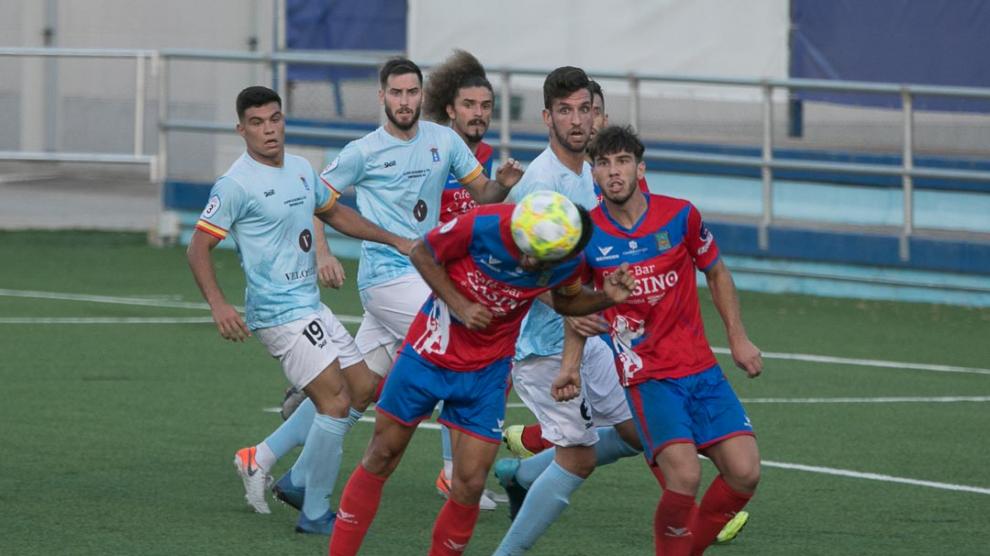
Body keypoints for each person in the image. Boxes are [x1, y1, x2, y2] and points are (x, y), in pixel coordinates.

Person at [328, 193, 636, 556]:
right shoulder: (484, 224)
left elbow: (567, 302)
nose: (526, 259)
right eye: (523, 248)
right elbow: (422, 253)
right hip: (428, 355)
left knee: (471, 484)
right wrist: (460, 306)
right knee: (382, 454)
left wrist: (607, 298)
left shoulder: (568, 261)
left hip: (486, 374)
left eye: (537, 257)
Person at [186, 86, 413, 534]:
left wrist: (393, 238)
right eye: (256, 122)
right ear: (241, 129)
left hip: (311, 306)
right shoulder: (235, 184)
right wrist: (218, 305)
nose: (268, 130)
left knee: (363, 388)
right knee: (335, 403)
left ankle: (278, 470)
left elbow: (336, 214)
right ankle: (314, 511)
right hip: (278, 313)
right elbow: (198, 248)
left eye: (274, 119)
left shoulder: (300, 170)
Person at [559, 125, 763, 555]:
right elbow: (571, 304)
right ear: (593, 174)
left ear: (640, 167)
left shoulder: (680, 215)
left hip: (701, 368)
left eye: (622, 161)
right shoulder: (587, 235)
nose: (613, 172)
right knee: (684, 477)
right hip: (648, 377)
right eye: (603, 163)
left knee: (745, 473)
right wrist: (571, 363)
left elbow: (716, 271)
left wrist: (738, 338)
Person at [490, 67, 643, 555]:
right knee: (578, 458)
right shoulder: (541, 183)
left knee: (636, 431)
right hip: (541, 346)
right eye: (565, 111)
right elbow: (511, 266)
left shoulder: (591, 172)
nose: (577, 120)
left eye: (585, 109)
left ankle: (522, 473)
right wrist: (561, 304)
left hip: (587, 332)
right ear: (547, 117)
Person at [422, 48, 502, 510]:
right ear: (450, 108)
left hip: (458, 291)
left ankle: (453, 473)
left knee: (360, 386)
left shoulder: (487, 161)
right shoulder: (429, 149)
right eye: (469, 105)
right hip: (422, 281)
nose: (478, 114)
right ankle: (453, 474)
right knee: (356, 388)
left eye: (485, 106)